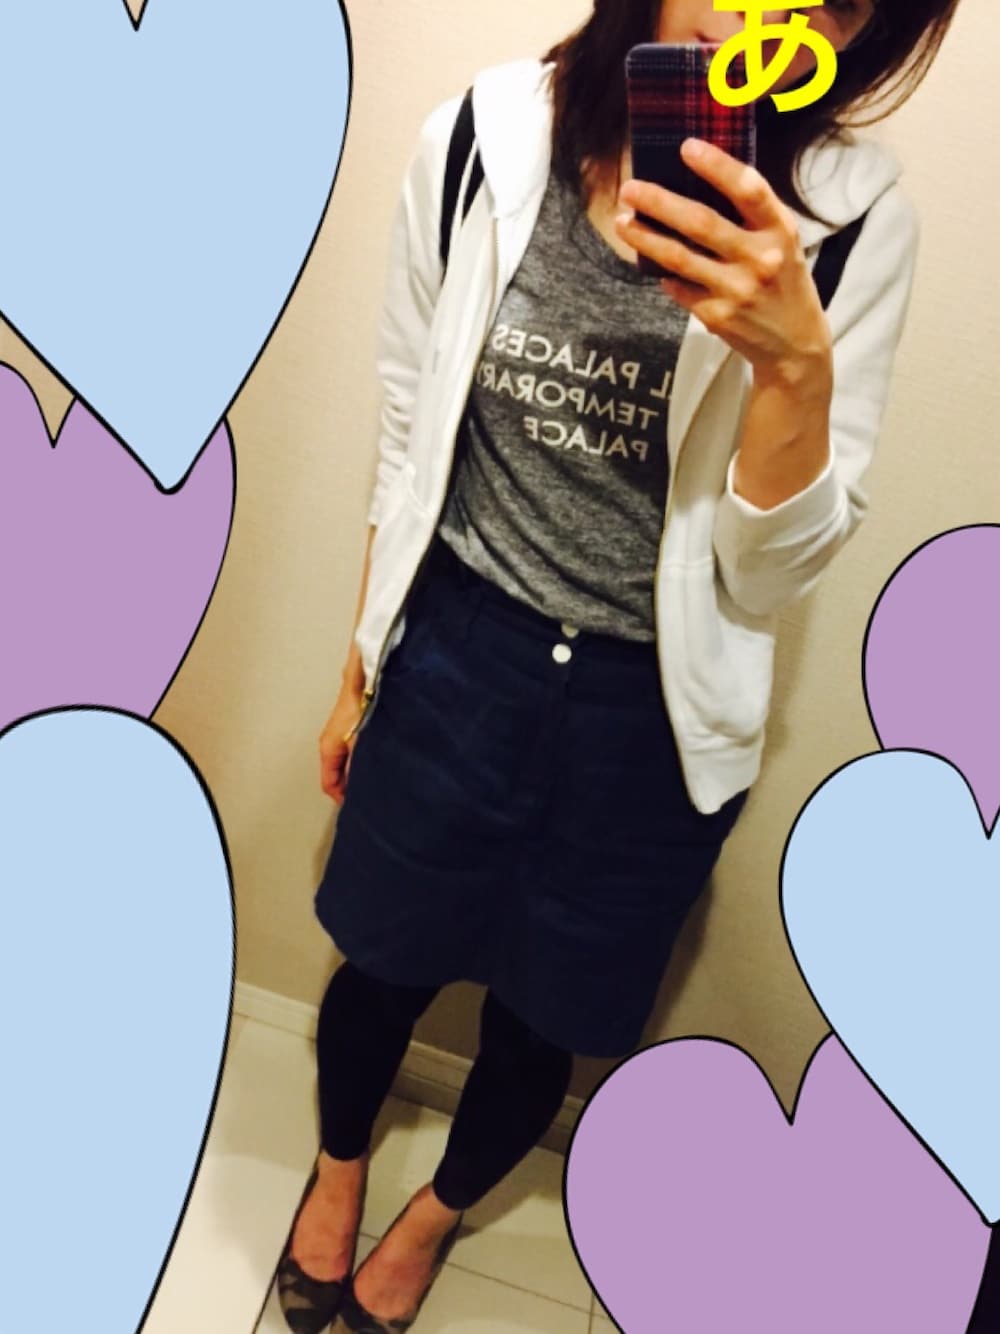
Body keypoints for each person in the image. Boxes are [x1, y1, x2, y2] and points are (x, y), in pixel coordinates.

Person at [270, 2, 960, 1330]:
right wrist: (360, 665)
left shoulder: (855, 223)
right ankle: (339, 1172)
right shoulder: (482, 137)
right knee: (382, 963)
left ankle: (432, 1218)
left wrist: (794, 367)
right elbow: (410, 425)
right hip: (459, 651)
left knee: (546, 1017)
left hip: (652, 713)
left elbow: (769, 576)